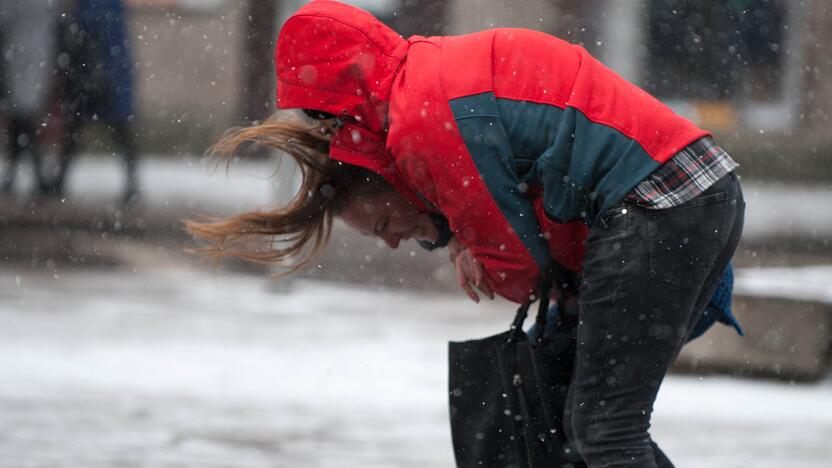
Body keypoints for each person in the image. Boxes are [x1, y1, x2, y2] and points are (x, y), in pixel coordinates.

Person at [187, 1, 745, 466]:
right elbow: (511, 189)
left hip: (662, 203)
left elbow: (519, 264)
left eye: (323, 115)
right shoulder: (430, 71)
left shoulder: (419, 116)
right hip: (687, 192)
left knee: (603, 430)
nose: (327, 129)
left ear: (343, 90)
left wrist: (476, 251)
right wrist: (456, 237)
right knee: (586, 425)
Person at [45, 0, 139, 204]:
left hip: (102, 73)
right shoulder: (99, 6)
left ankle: (132, 182)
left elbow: (91, 24)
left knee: (116, 130)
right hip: (95, 73)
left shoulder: (96, 7)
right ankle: (61, 178)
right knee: (80, 129)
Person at [0, 0, 58, 197]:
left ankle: (29, 176)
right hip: (33, 54)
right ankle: (26, 176)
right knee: (23, 119)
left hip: (22, 55)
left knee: (23, 119)